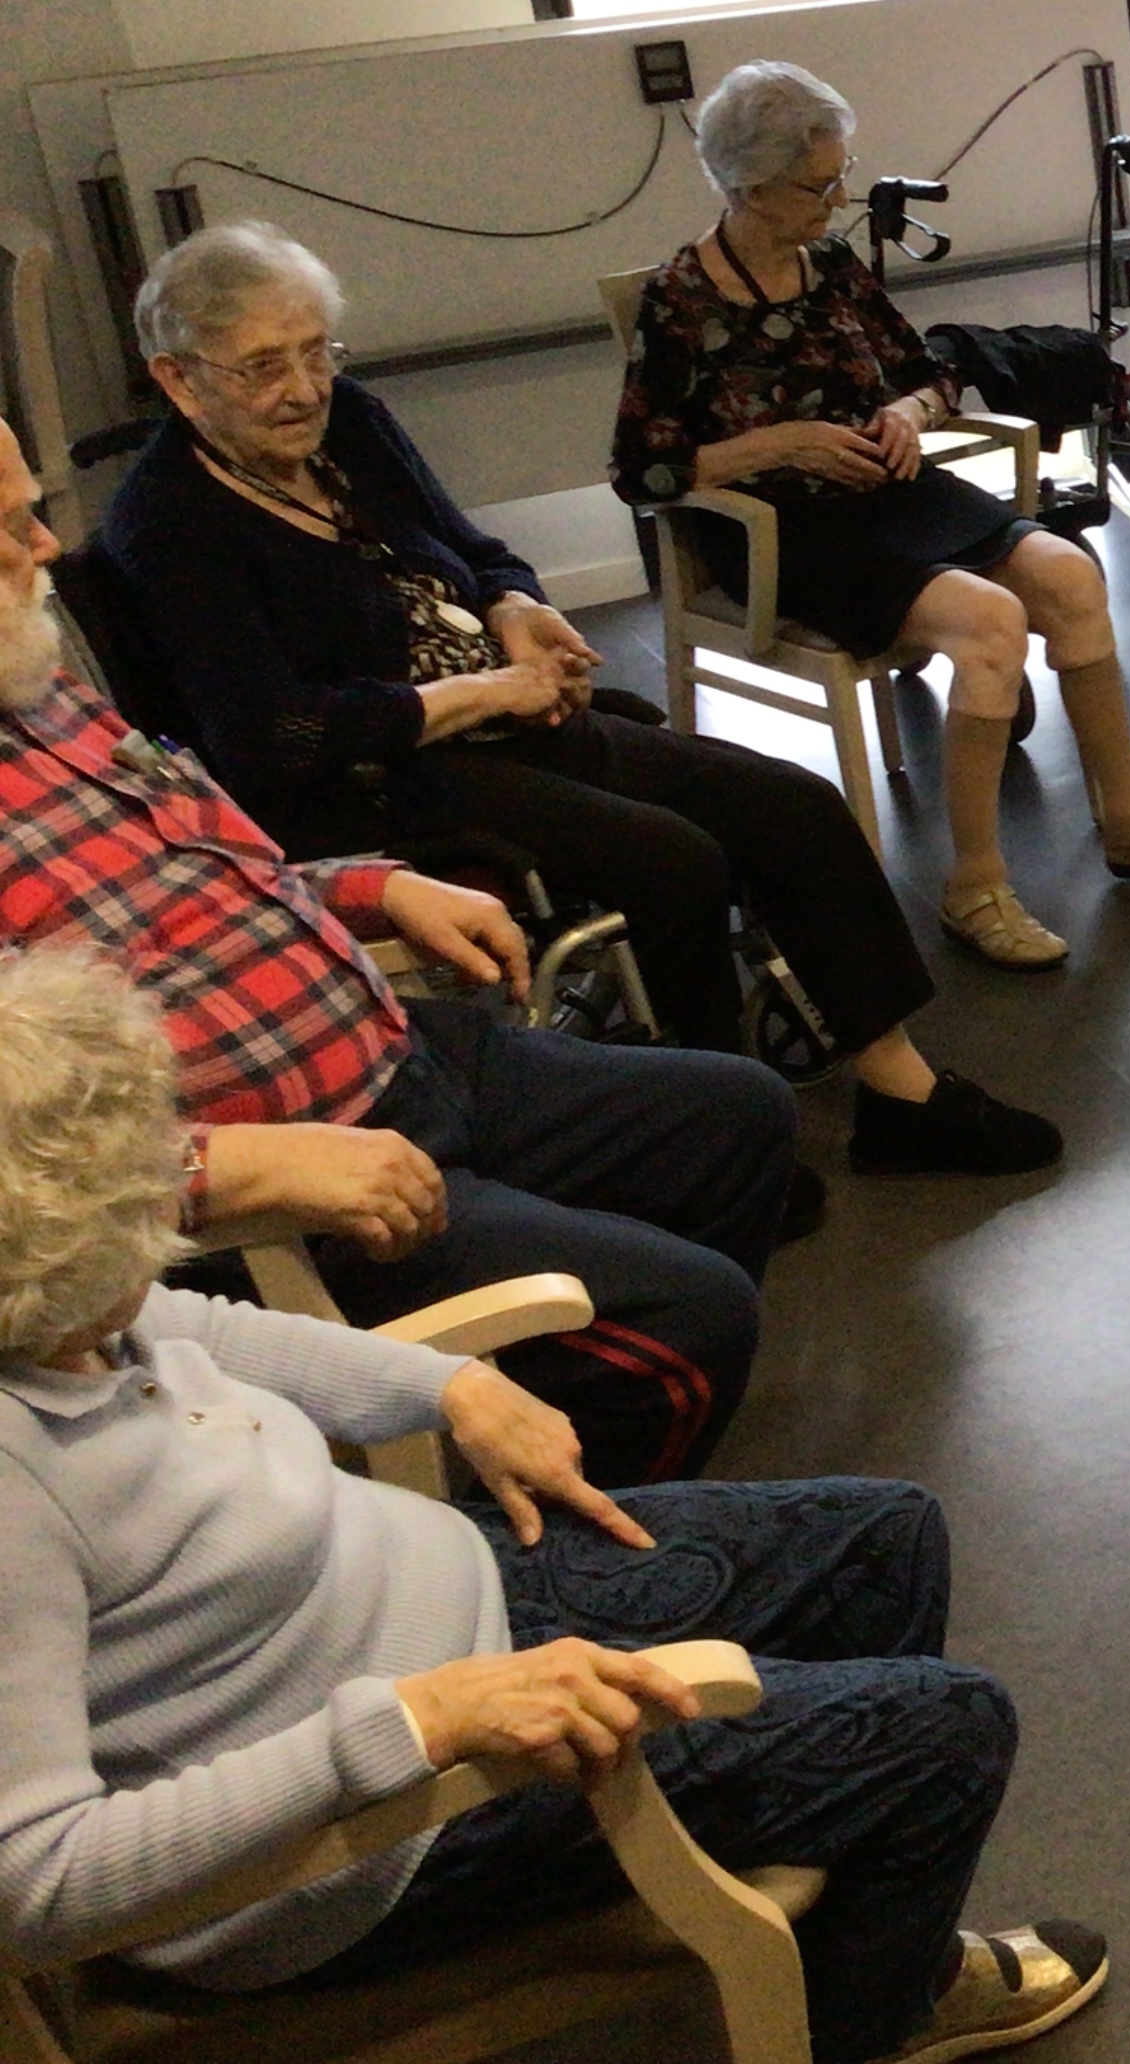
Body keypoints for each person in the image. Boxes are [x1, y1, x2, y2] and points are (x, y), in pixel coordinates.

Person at [0, 949, 1106, 2064]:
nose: (171, 1209)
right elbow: (37, 1882)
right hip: (362, 1844)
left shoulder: (65, 1321)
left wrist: (452, 1386)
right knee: (948, 1733)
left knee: (885, 1540)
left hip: (433, 1625)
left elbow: (204, 1327)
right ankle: (873, 2024)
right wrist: (420, 1723)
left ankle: (850, 1951)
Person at [109, 222, 1058, 1179]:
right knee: (675, 862)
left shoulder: (349, 420)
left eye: (317, 352)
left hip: (507, 712)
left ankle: (902, 1097)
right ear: (178, 381)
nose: (304, 389)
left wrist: (516, 607)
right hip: (378, 777)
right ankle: (718, 1144)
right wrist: (483, 690)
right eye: (263, 367)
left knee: (793, 804)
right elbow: (273, 734)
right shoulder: (170, 524)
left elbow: (473, 550)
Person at [0, 434, 784, 1486]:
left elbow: (216, 874)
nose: (48, 544)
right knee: (689, 1314)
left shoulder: (36, 689)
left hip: (400, 1050)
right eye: (10, 526)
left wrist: (378, 889)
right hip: (285, 1197)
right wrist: (228, 1168)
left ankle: (571, 1446)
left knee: (739, 1119)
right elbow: (22, 1178)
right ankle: (542, 1548)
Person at [615, 61, 1130, 974]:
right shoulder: (681, 298)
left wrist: (908, 413)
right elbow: (641, 469)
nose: (838, 200)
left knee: (1070, 575)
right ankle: (974, 885)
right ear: (748, 185)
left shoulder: (831, 268)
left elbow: (932, 373)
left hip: (888, 493)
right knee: (990, 623)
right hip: (784, 531)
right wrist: (780, 443)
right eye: (817, 186)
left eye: (840, 174)